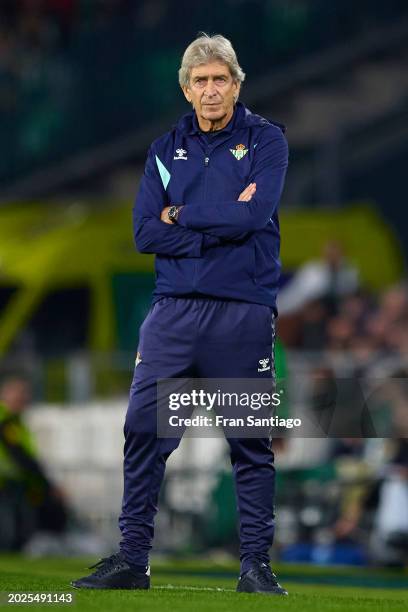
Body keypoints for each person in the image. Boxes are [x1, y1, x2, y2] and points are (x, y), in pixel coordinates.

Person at [72, 33, 289, 595]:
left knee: (249, 441)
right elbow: (145, 233)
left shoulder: (267, 141)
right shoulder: (164, 150)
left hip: (241, 313)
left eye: (221, 79)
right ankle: (133, 561)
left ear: (237, 85)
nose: (211, 90)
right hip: (171, 316)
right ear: (186, 90)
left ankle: (255, 566)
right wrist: (218, 227)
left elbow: (256, 215)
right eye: (201, 81)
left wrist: (183, 217)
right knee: (143, 431)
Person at [0, 374, 68, 550]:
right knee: (11, 538)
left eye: (26, 393)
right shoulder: (6, 421)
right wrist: (47, 485)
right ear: (5, 394)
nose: (24, 398)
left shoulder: (16, 422)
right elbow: (21, 457)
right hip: (7, 486)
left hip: (14, 485)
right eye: (20, 393)